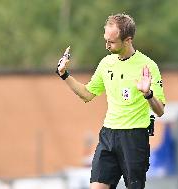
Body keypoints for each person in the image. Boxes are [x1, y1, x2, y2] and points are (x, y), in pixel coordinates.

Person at [56, 13, 166, 189]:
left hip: (134, 137)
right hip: (108, 135)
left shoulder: (148, 66)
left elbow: (160, 110)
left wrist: (148, 93)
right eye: (105, 40)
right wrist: (64, 75)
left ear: (128, 40)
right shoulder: (106, 63)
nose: (107, 45)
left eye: (112, 42)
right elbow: (86, 94)